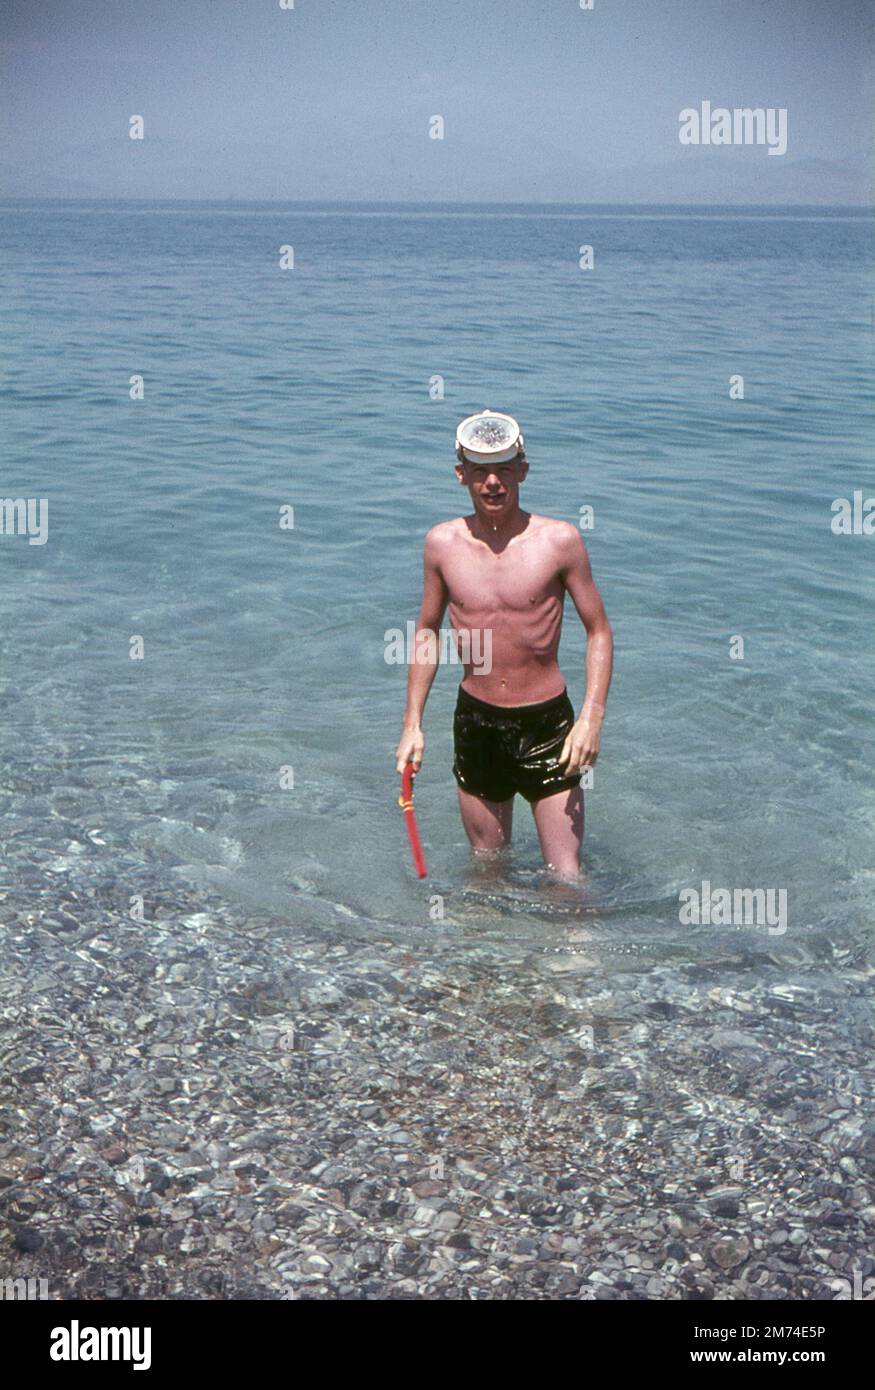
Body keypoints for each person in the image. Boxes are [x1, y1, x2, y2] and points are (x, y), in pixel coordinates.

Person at [395, 410, 613, 880]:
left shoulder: (560, 541)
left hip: (548, 725)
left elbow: (598, 629)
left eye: (503, 470)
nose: (492, 483)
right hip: (477, 723)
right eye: (479, 472)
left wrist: (592, 718)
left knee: (566, 877)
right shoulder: (441, 544)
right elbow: (428, 631)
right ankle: (493, 957)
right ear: (462, 476)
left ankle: (573, 956)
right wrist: (412, 723)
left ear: (523, 471)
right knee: (487, 874)